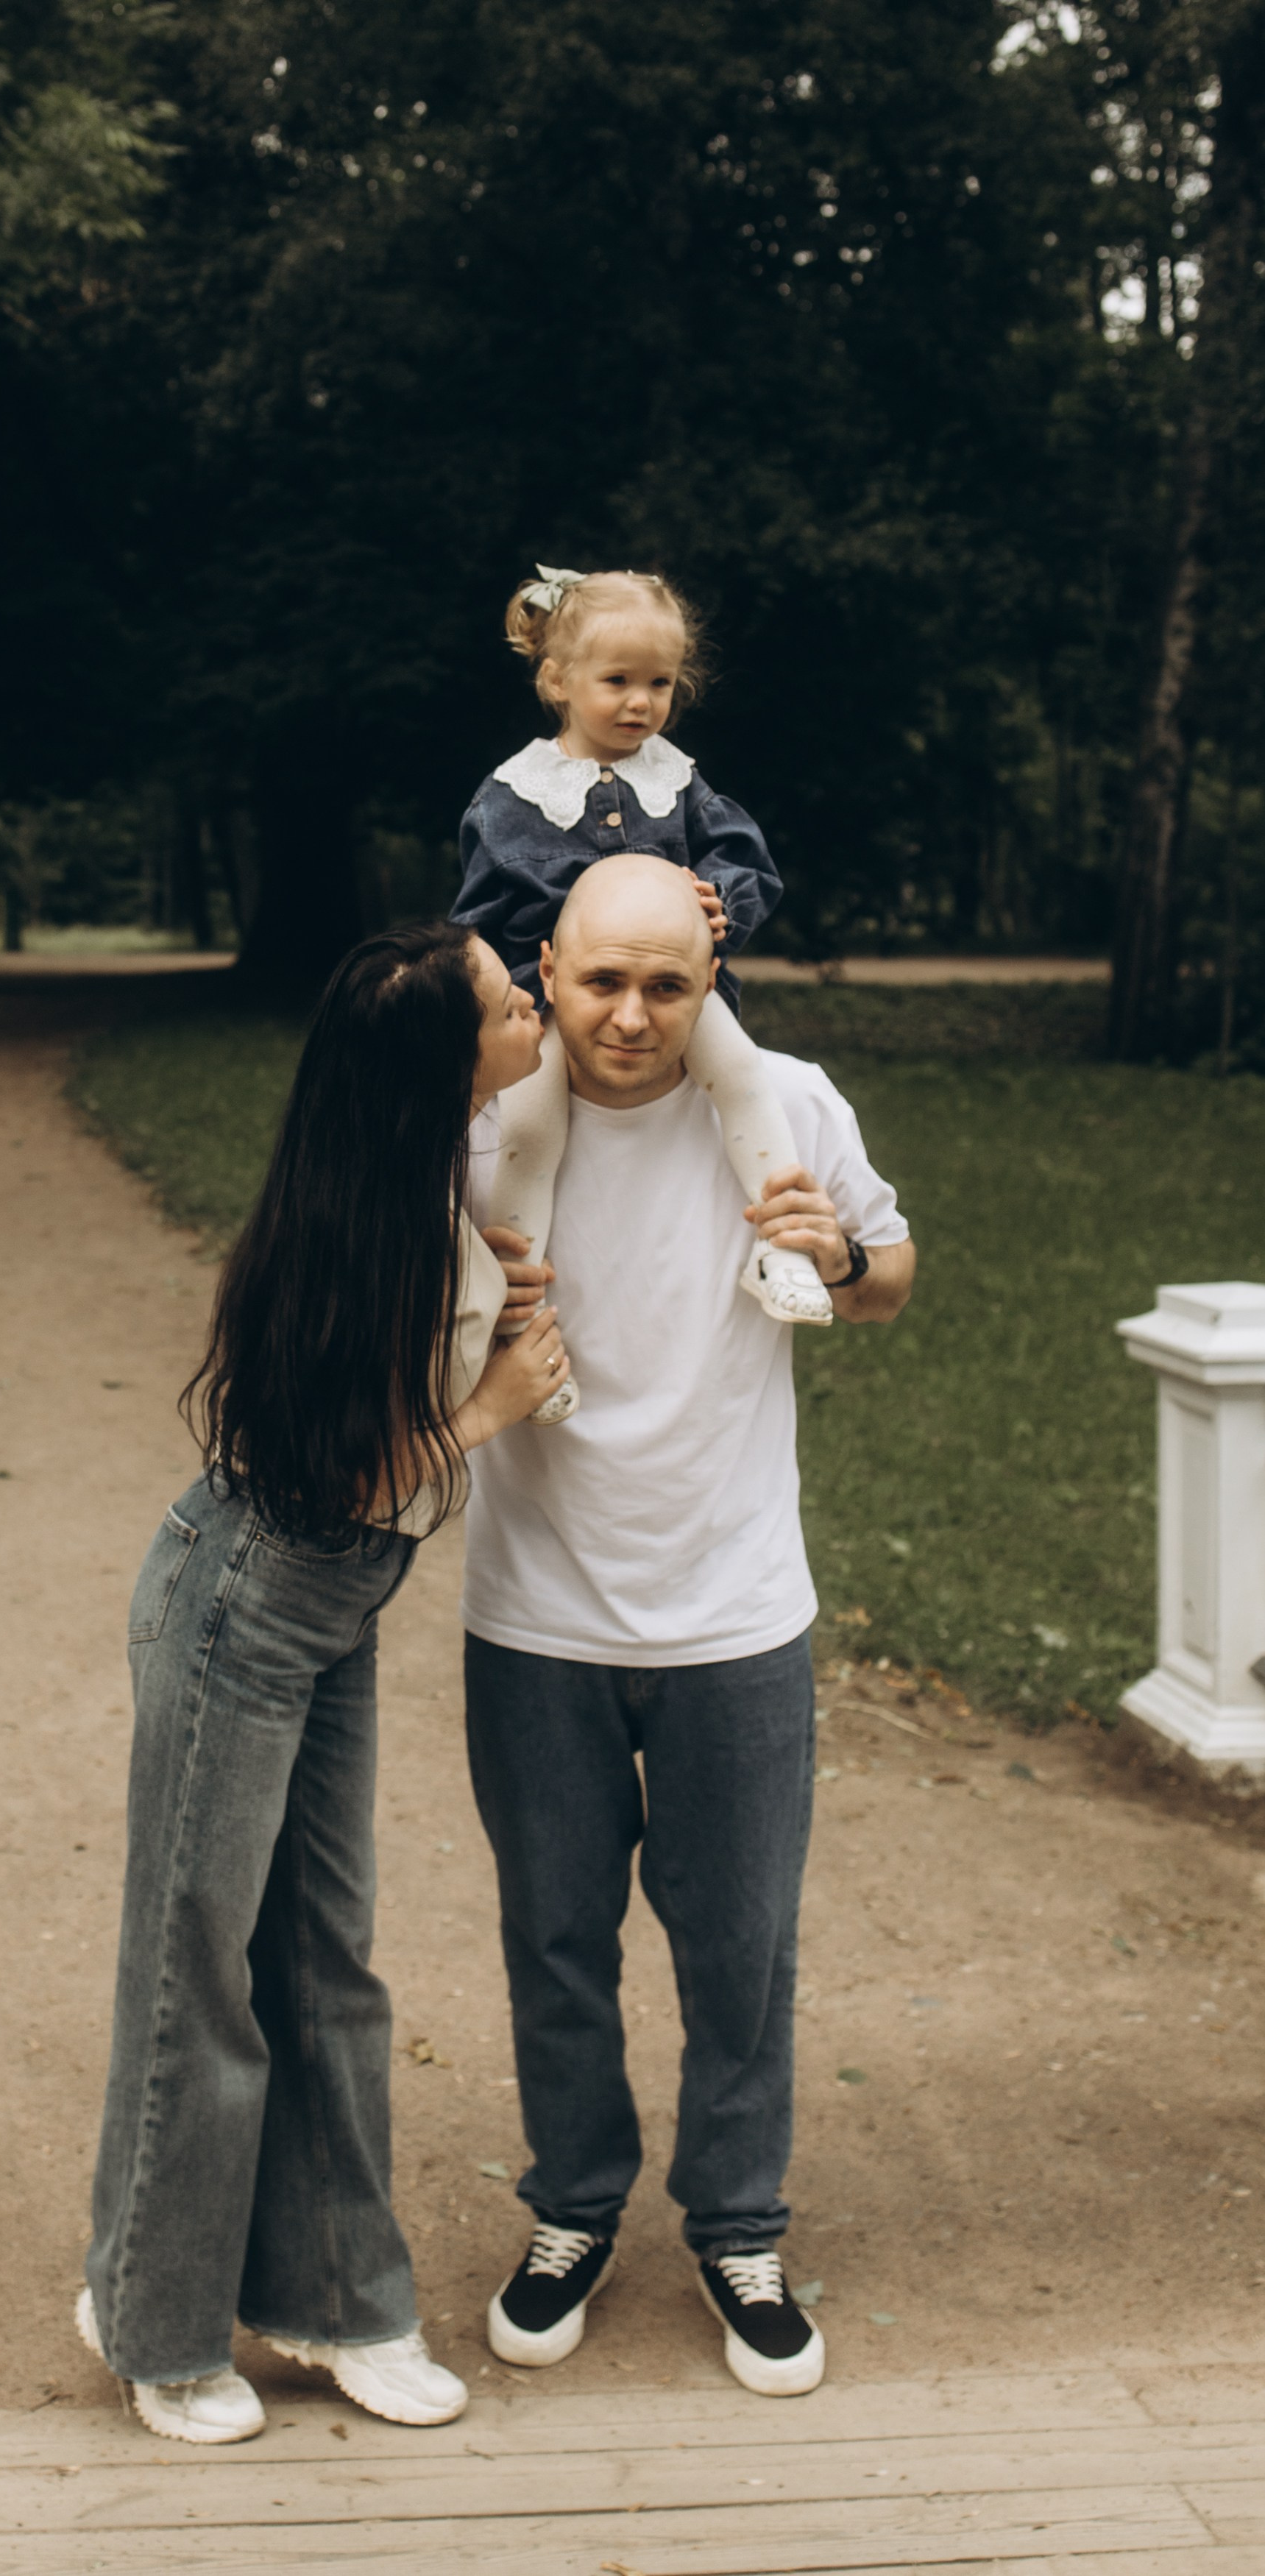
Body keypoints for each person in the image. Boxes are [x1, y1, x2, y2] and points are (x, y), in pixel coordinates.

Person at [78, 924, 568, 2446]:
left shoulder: (413, 1198)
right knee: (198, 1969)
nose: (531, 1004)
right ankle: (150, 2318)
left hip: (325, 1615)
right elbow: (346, 1481)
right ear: (446, 1063)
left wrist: (490, 1294)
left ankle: (339, 2301)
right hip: (246, 1607)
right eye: (506, 1001)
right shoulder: (380, 1234)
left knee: (328, 1966)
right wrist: (488, 1401)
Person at [463, 854, 915, 2399]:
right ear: (547, 965)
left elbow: (889, 1275)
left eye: (667, 984)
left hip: (733, 1615)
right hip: (535, 1613)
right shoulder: (489, 1118)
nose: (633, 1015)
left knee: (738, 1950)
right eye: (601, 980)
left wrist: (840, 1253)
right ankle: (571, 2210)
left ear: (706, 976)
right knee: (554, 1943)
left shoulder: (783, 1102)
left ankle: (736, 2225)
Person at [452, 566, 833, 1406]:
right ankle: (516, 1324)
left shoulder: (677, 779)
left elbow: (743, 862)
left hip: (669, 990)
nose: (639, 703)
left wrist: (713, 903)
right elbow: (477, 915)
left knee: (740, 1077)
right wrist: (530, 976)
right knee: (530, 1131)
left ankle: (784, 1246)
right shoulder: (513, 796)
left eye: (658, 684)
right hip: (557, 1002)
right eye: (616, 681)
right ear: (558, 680)